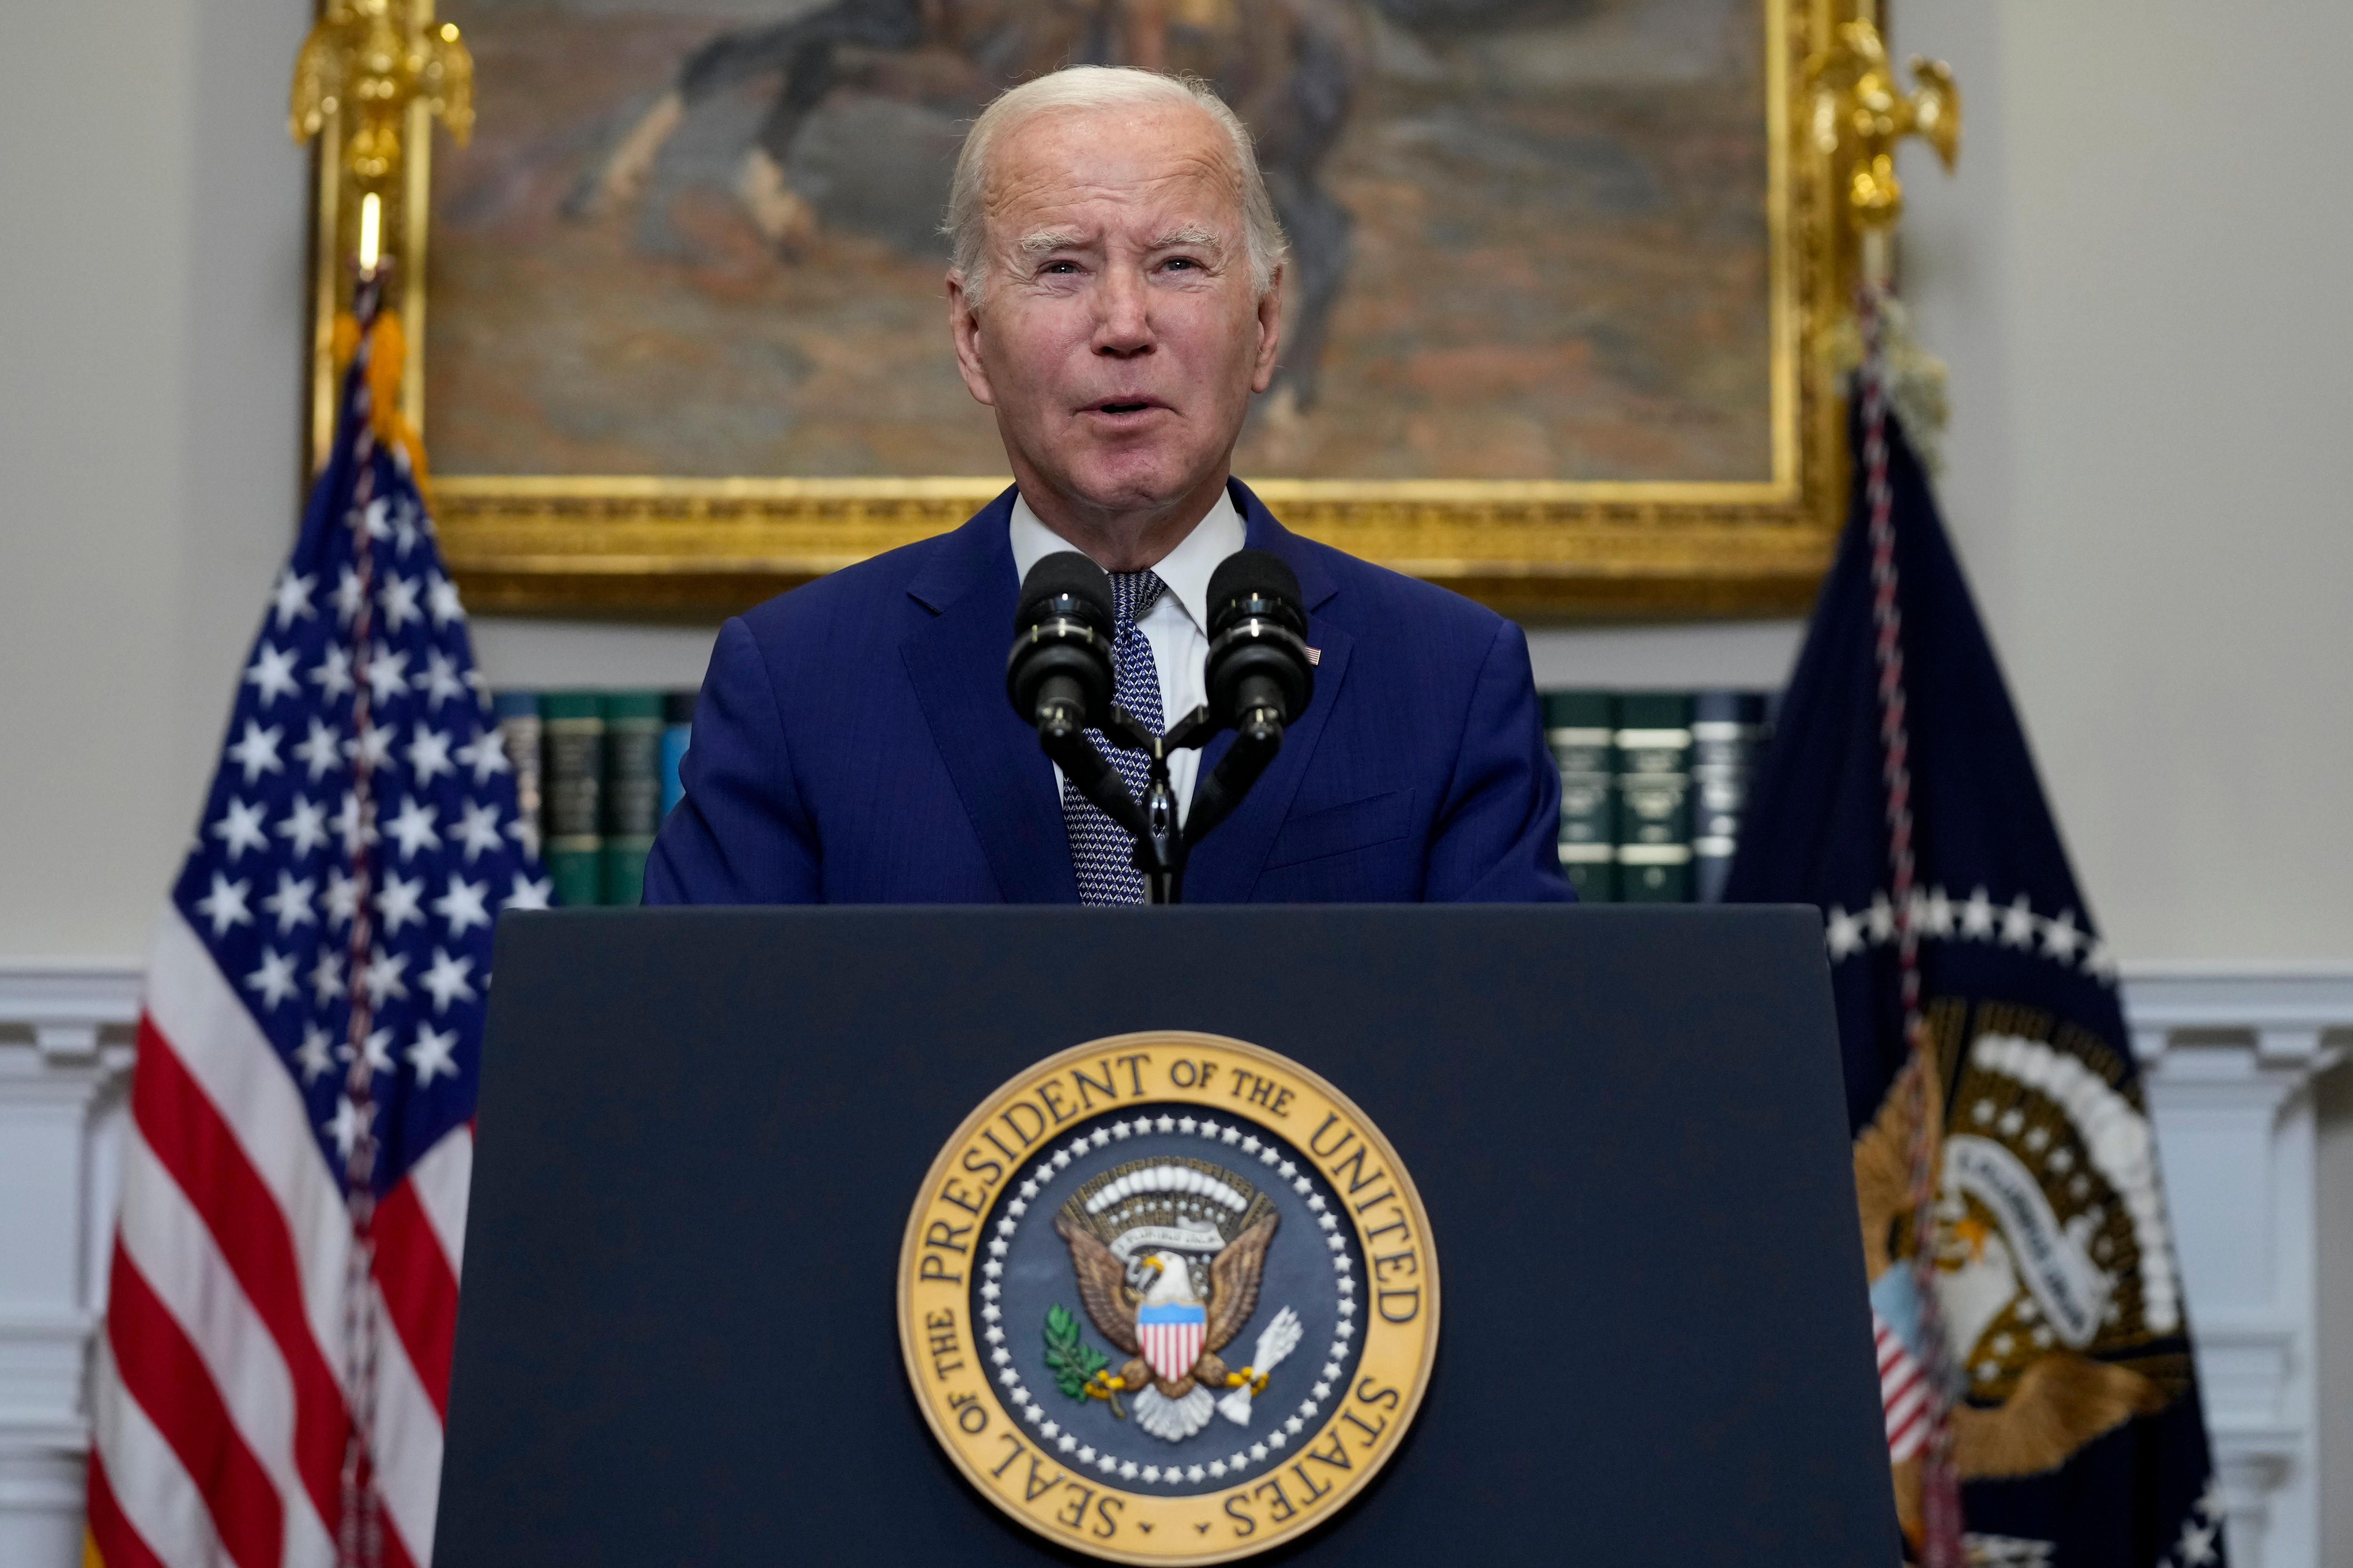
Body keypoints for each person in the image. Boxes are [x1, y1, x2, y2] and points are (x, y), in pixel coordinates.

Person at [645, 66, 1570, 904]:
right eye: (1062, 267)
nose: (1125, 324)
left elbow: (1507, 1026)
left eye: (1178, 264)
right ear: (971, 336)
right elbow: (705, 1025)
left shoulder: (1448, 677)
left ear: (1266, 324)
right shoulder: (796, 681)